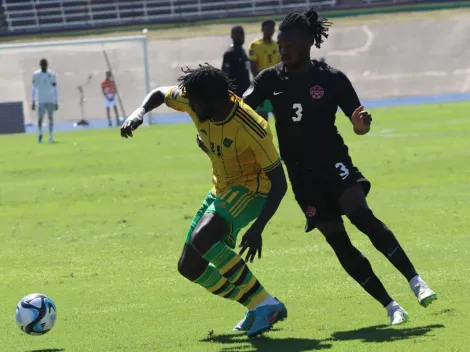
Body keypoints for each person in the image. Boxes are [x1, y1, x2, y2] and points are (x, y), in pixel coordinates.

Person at [241, 7, 437, 325]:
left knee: (361, 216)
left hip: (334, 162)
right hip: (301, 175)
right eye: (281, 45)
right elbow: (241, 107)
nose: (283, 50)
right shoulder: (270, 79)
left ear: (307, 42)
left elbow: (358, 125)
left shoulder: (330, 79)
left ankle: (417, 281)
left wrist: (361, 125)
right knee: (338, 241)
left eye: (289, 44)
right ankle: (391, 306)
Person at [120, 64, 288, 337]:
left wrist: (258, 229)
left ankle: (265, 302)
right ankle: (253, 304)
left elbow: (280, 183)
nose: (191, 106)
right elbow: (161, 93)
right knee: (189, 266)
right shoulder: (196, 99)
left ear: (215, 100)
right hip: (221, 189)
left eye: (196, 102)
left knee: (203, 238)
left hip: (253, 191)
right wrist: (139, 112)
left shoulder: (253, 127)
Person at [247, 20, 281, 120]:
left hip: (275, 87)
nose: (270, 31)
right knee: (263, 120)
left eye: (272, 28)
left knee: (281, 118)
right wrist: (261, 85)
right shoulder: (255, 45)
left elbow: (281, 66)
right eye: (268, 28)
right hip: (262, 86)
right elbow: (253, 68)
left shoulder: (277, 46)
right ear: (262, 29)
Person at [32, 58, 58, 143]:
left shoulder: (52, 75)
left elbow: (55, 88)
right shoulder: (36, 75)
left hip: (50, 99)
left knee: (50, 118)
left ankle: (50, 136)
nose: (44, 66)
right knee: (40, 119)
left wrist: (56, 101)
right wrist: (33, 100)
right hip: (41, 100)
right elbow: (34, 88)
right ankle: (40, 133)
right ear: (40, 65)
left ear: (47, 65)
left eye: (45, 64)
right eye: (42, 64)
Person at [221, 26, 251, 97]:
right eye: (239, 33)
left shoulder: (242, 51)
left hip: (245, 91)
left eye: (243, 33)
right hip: (235, 94)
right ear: (232, 36)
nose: (242, 36)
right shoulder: (229, 54)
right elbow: (224, 75)